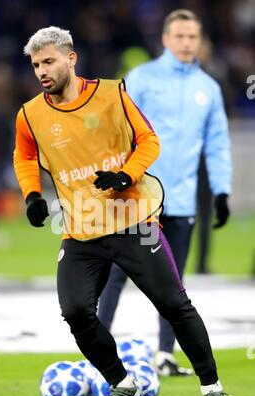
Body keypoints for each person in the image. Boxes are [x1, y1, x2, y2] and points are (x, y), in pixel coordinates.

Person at [13, 26, 232, 396]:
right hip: (80, 232)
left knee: (174, 306)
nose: (41, 71)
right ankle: (122, 383)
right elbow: (24, 155)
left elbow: (149, 140)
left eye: (49, 61)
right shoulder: (30, 114)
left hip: (134, 223)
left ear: (71, 58)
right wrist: (31, 195)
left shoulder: (113, 93)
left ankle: (212, 390)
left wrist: (125, 176)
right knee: (76, 311)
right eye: (36, 64)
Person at [97, 9, 232, 377]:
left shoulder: (208, 88)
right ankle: (97, 349)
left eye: (193, 37)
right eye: (180, 36)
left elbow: (217, 143)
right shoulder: (141, 78)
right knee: (118, 274)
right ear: (166, 39)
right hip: (138, 200)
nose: (187, 43)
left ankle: (165, 355)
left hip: (183, 199)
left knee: (173, 283)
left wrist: (221, 191)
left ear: (199, 41)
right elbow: (116, 129)